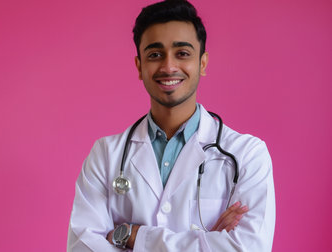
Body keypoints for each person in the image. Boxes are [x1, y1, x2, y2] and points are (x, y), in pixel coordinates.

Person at [67, 0, 275, 251]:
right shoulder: (106, 154)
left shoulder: (247, 155)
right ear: (139, 67)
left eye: (183, 53)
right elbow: (81, 246)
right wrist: (208, 241)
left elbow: (248, 247)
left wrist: (133, 236)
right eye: (155, 54)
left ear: (202, 63)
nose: (168, 66)